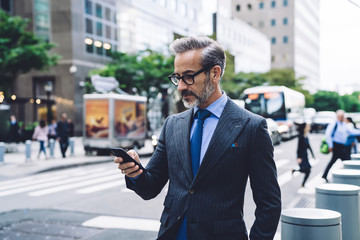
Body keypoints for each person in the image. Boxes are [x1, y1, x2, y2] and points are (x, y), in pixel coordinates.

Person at [114, 36, 281, 240]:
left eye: (189, 76)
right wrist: (135, 172)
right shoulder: (172, 124)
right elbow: (150, 187)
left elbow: (269, 203)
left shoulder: (251, 127)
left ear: (215, 73)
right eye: (177, 77)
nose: (181, 87)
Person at [322, 110, 360, 182]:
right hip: (336, 145)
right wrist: (330, 145)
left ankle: (324, 175)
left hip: (342, 146)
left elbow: (351, 131)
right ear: (337, 116)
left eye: (342, 116)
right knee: (346, 160)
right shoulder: (334, 124)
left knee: (334, 161)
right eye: (340, 116)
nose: (342, 118)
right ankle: (350, 176)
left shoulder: (344, 124)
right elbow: (328, 135)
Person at [292, 123, 315, 188]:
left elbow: (309, 146)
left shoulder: (306, 136)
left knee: (307, 170)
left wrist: (313, 155)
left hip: (305, 156)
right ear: (304, 128)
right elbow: (298, 148)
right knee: (307, 170)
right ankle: (302, 184)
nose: (309, 127)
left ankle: (295, 171)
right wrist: (299, 157)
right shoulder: (301, 136)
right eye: (308, 126)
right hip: (301, 156)